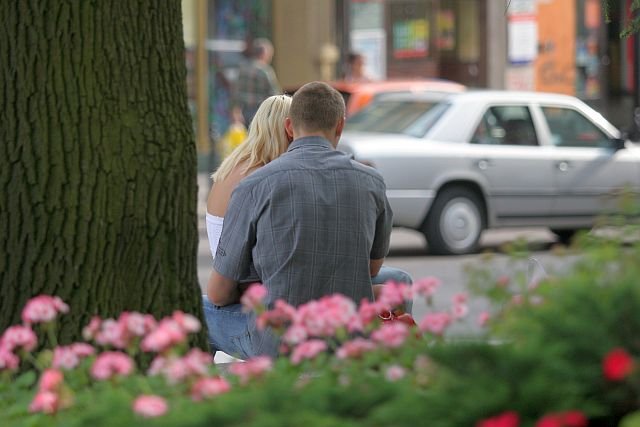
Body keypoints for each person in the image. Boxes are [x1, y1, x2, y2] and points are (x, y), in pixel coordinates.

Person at [204, 82, 410, 359]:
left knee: (196, 311)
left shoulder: (254, 185)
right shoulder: (371, 181)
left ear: (290, 127)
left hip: (277, 341)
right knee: (398, 281)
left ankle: (203, 397)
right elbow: (371, 269)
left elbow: (219, 294)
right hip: (345, 333)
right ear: (340, 126)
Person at [231, 38, 281, 126]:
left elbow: (235, 92)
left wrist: (235, 111)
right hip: (260, 112)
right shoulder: (265, 71)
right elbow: (275, 95)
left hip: (243, 112)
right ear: (264, 54)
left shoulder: (242, 68)